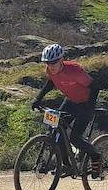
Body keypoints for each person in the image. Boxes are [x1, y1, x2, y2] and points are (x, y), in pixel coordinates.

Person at [30, 43, 104, 174]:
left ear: (61, 60)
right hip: (71, 101)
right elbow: (51, 82)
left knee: (74, 138)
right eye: (48, 63)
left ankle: (96, 156)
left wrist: (89, 106)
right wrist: (38, 98)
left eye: (54, 62)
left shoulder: (74, 70)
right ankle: (67, 165)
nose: (51, 66)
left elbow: (95, 86)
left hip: (85, 103)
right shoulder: (49, 70)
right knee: (56, 130)